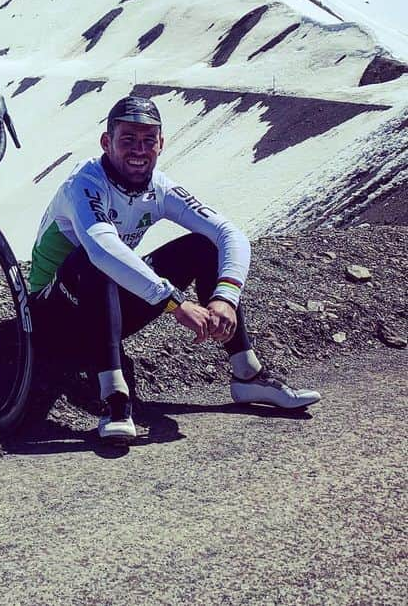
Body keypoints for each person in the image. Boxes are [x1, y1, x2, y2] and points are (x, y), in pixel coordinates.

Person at [28, 95, 320, 442]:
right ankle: (114, 399)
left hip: (104, 314)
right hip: (50, 315)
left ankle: (247, 375)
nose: (139, 149)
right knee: (96, 259)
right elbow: (102, 249)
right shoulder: (85, 183)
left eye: (148, 140)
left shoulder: (159, 188)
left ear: (161, 144)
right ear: (106, 143)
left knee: (203, 245)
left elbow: (230, 234)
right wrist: (175, 303)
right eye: (128, 140)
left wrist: (225, 296)